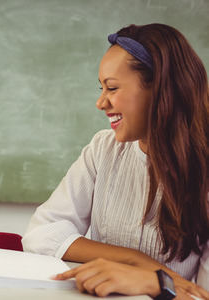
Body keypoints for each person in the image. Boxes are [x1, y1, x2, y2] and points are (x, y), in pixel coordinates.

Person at [22, 23, 209, 299]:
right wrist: (136, 260)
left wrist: (155, 283)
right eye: (101, 88)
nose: (100, 102)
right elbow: (42, 232)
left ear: (159, 89)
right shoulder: (102, 149)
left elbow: (201, 294)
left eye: (111, 88)